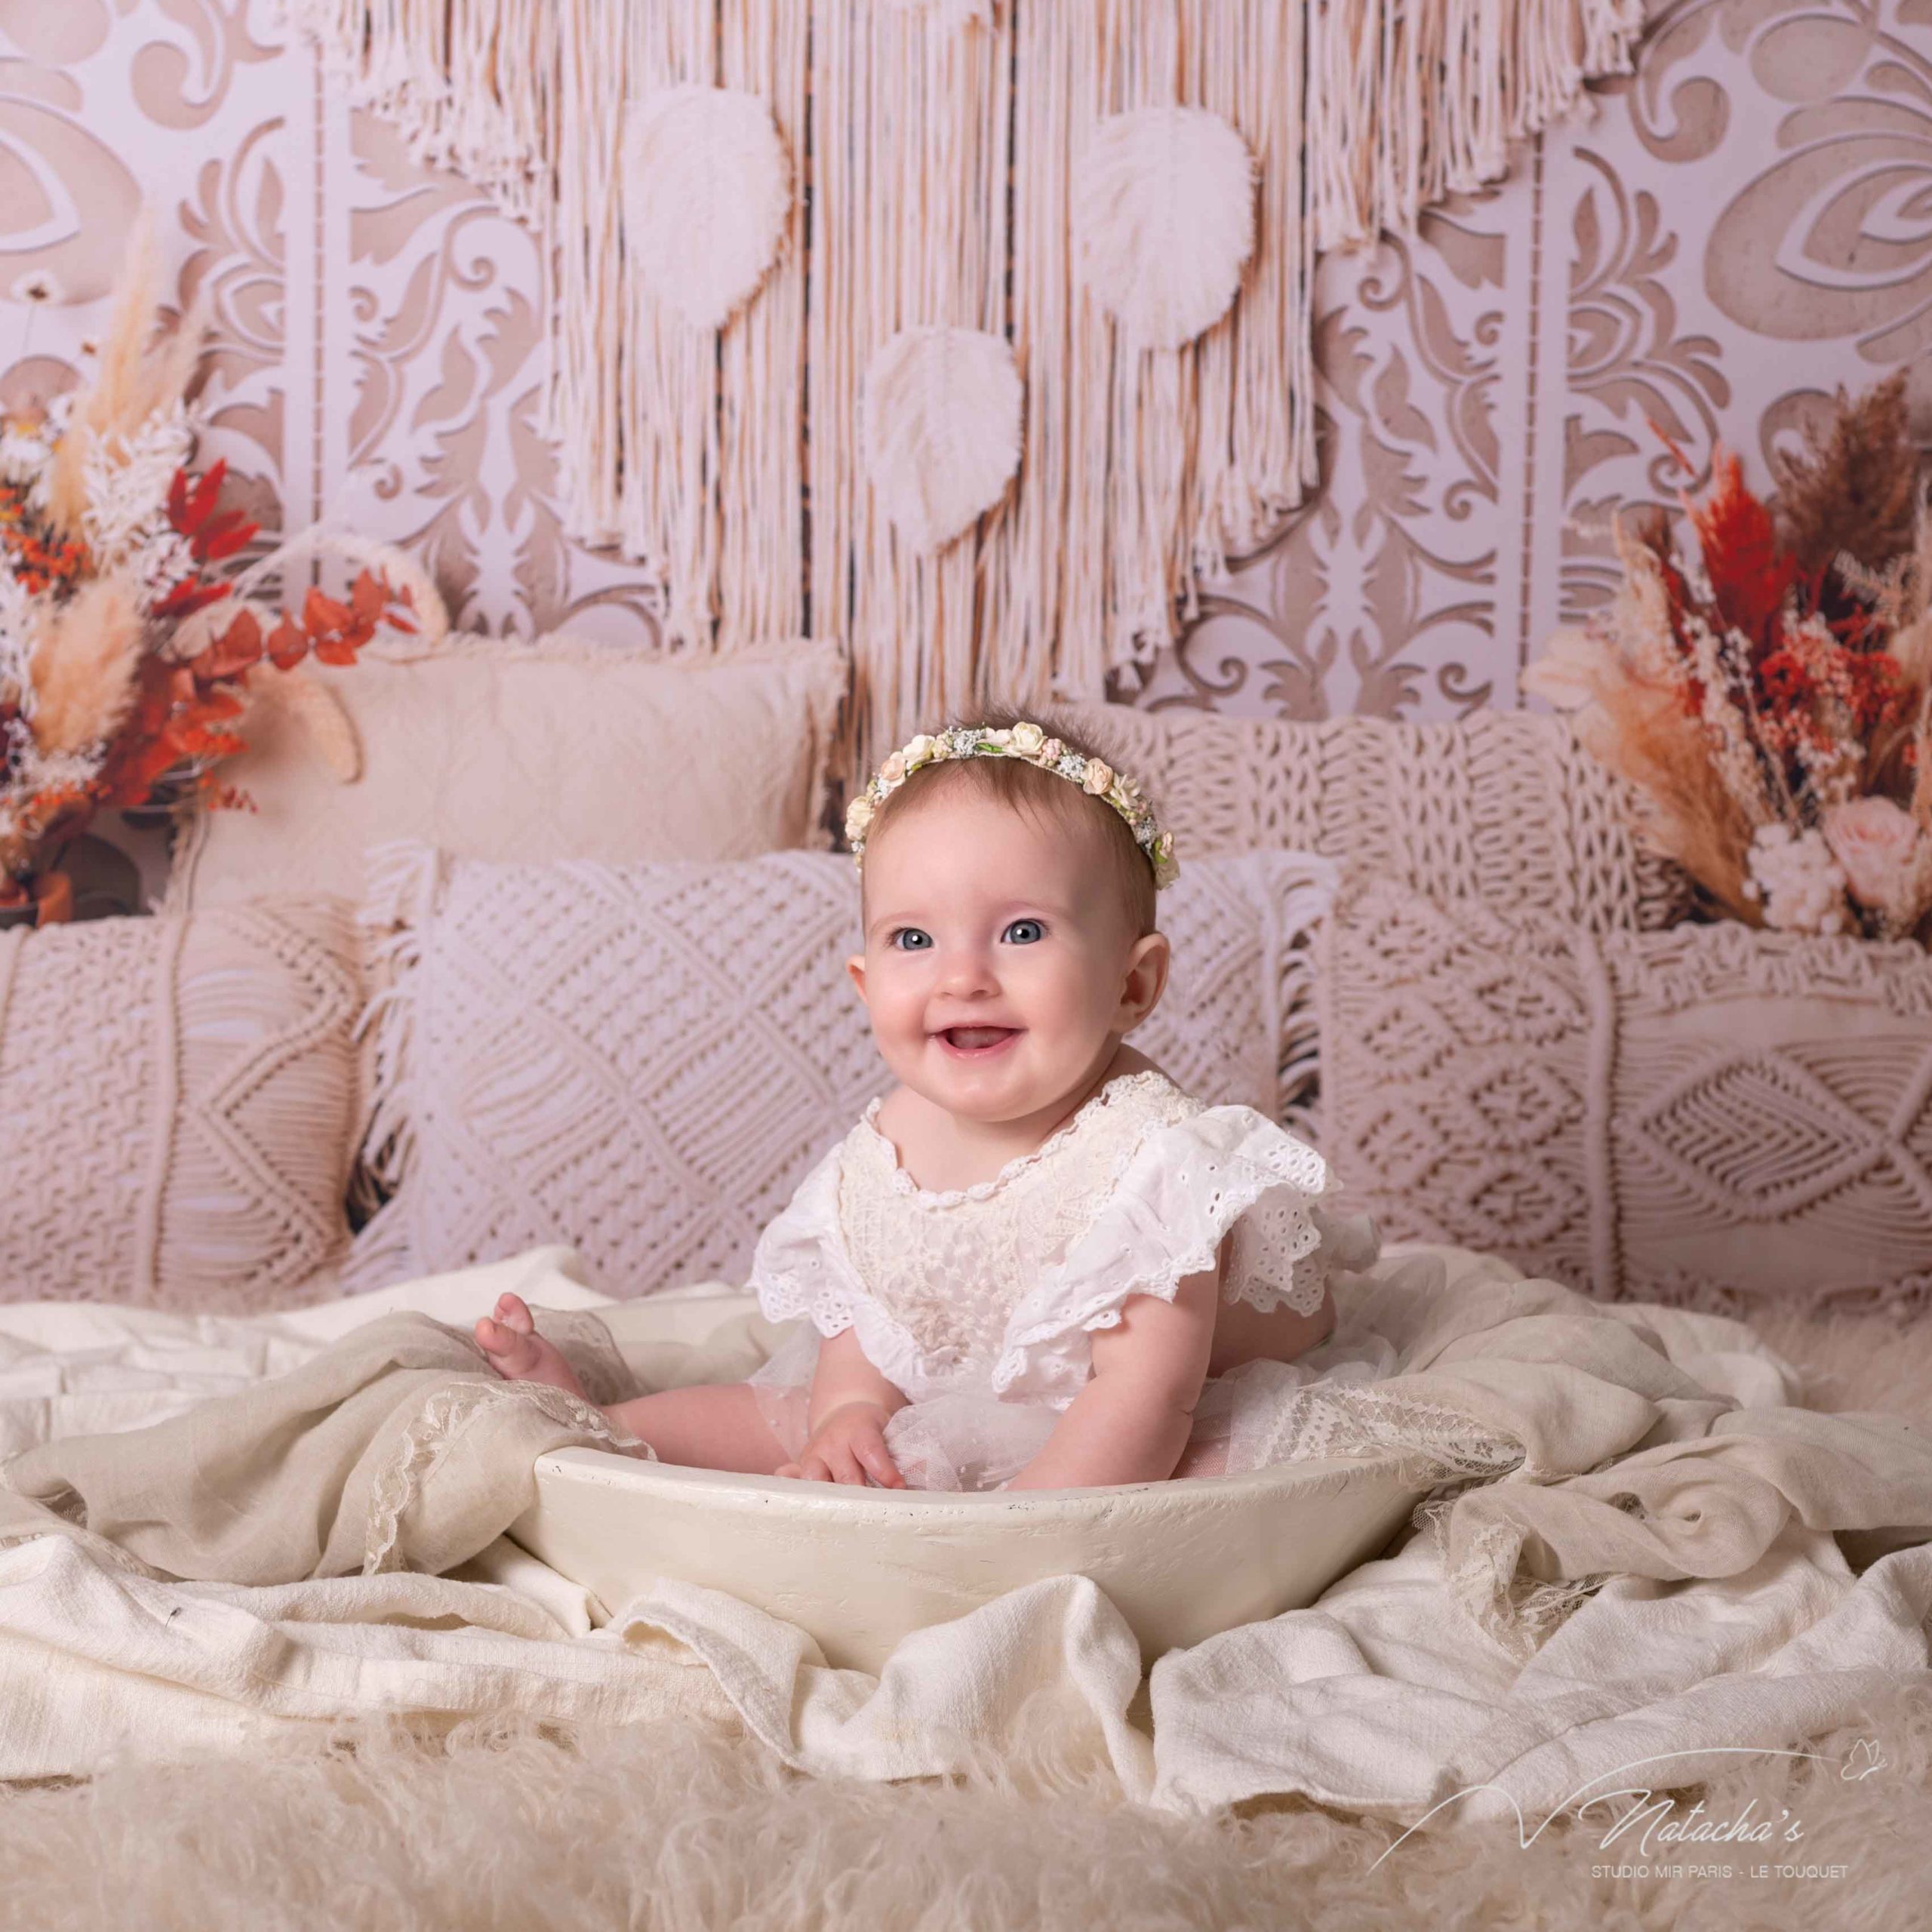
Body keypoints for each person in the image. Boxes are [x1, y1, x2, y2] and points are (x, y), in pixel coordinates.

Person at [475, 709, 1377, 1491]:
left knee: (1227, 1470)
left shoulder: (1157, 1161)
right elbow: (876, 1326)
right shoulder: (882, 1155)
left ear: (1132, 985)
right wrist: (851, 1418)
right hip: (983, 1393)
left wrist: (1004, 1532)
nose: (962, 976)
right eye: (914, 937)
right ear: (865, 985)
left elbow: (1145, 1397)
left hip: (1162, 1411)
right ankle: (603, 1428)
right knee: (780, 1419)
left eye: (1022, 931)